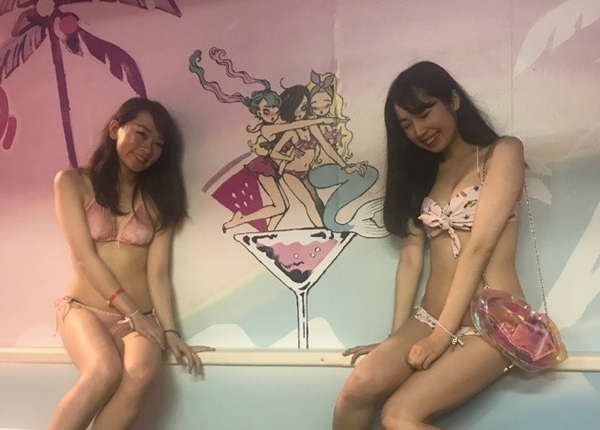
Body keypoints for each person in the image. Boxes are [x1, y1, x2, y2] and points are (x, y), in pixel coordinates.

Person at [333, 61, 525, 429]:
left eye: (425, 113)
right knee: (359, 387)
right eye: (406, 125)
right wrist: (394, 339)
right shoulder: (422, 173)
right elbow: (410, 260)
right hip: (429, 317)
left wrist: (441, 338)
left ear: (453, 100)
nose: (419, 130)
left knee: (397, 416)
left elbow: (480, 248)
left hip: (493, 323)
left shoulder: (503, 152)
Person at [48, 97, 214, 430]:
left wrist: (170, 331)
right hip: (84, 309)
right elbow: (85, 257)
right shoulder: (71, 182)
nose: (148, 148)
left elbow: (158, 274)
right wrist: (132, 313)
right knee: (104, 369)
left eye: (158, 144)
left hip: (142, 316)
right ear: (115, 129)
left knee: (141, 374)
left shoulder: (160, 201)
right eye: (141, 133)